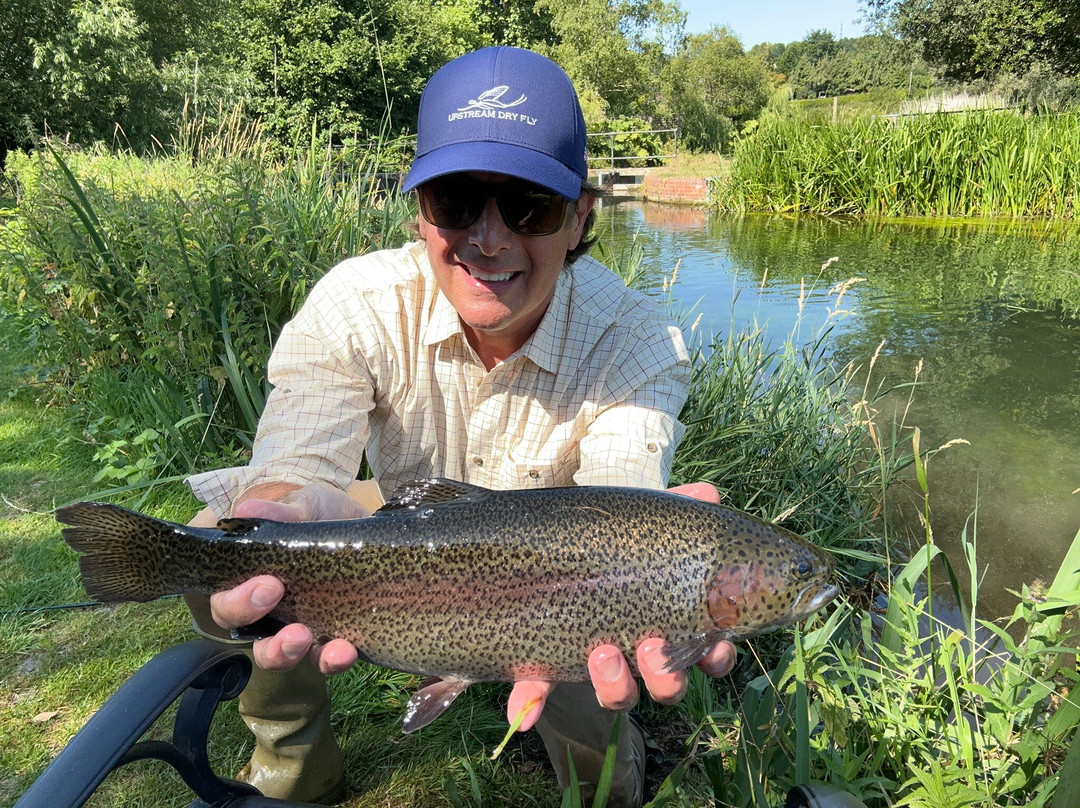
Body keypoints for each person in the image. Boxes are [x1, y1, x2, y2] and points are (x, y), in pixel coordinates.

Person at [183, 45, 736, 808]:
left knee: (600, 681)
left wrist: (669, 575)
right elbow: (302, 467)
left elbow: (620, 508)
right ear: (420, 211)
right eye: (456, 203)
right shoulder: (357, 302)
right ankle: (294, 761)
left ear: (580, 219)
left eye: (528, 208)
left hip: (561, 567)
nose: (488, 238)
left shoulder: (637, 342)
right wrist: (283, 505)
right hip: (407, 526)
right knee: (231, 537)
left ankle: (608, 791)